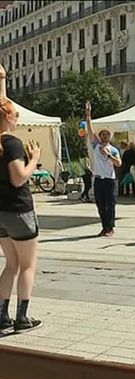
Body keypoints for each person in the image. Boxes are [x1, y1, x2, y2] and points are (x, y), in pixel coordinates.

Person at [0, 62, 43, 333]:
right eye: (16, 114)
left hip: (0, 212)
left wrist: (2, 77)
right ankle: (22, 317)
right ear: (8, 117)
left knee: (10, 263)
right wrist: (34, 159)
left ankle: (2, 315)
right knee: (27, 264)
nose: (18, 118)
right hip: (18, 210)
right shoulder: (12, 143)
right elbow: (18, 177)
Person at [85, 101, 122, 237]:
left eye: (107, 135)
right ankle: (104, 227)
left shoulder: (113, 149)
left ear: (109, 137)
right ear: (100, 136)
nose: (105, 136)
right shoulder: (96, 145)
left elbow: (118, 163)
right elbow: (89, 130)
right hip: (99, 179)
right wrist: (88, 114)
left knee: (110, 204)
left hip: (109, 180)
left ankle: (110, 227)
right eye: (103, 134)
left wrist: (109, 155)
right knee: (100, 204)